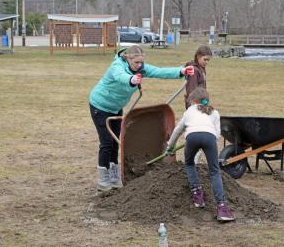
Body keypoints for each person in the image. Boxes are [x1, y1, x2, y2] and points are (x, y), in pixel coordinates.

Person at [89, 45, 194, 191]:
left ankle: (113, 175)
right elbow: (120, 76)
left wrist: (181, 71)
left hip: (115, 108)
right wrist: (131, 79)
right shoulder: (117, 66)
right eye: (136, 62)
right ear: (128, 58)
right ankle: (103, 178)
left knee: (115, 143)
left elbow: (159, 71)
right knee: (106, 142)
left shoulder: (141, 68)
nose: (139, 66)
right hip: (100, 106)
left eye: (141, 62)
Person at [166, 87, 235, 221]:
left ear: (192, 101)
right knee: (214, 171)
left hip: (191, 137)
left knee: (189, 163)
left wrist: (170, 147)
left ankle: (197, 194)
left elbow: (177, 131)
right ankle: (222, 208)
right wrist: (207, 142)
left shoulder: (189, 111)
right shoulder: (214, 112)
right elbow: (217, 133)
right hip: (210, 138)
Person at [184, 45, 212, 164]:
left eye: (208, 60)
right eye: (205, 59)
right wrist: (195, 108)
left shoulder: (200, 68)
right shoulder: (194, 70)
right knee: (196, 133)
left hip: (201, 105)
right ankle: (192, 162)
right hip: (194, 107)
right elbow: (192, 91)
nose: (206, 62)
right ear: (198, 56)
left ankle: (195, 161)